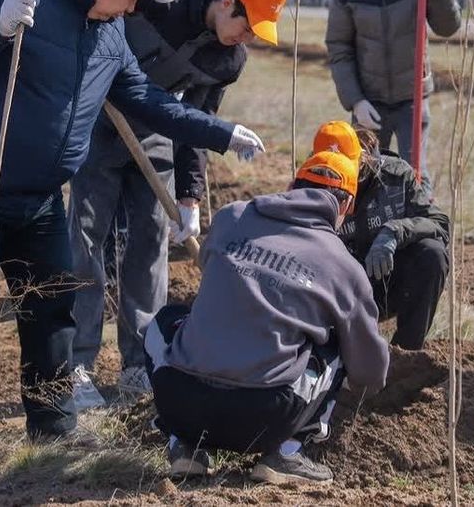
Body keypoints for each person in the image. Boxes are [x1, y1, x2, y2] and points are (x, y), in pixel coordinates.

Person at [0, 0, 265, 466]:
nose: (132, 6)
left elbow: (148, 99)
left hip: (38, 190)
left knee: (53, 304)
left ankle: (52, 425)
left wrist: (220, 132)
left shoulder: (109, 30)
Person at [69, 0, 287, 409]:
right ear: (226, 3)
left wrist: (190, 195)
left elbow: (195, 124)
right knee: (86, 241)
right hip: (100, 122)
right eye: (245, 27)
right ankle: (76, 366)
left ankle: (138, 363)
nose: (244, 39)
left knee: (150, 247)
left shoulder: (228, 61)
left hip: (155, 139)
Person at [144, 150, 389, 485]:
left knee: (165, 320)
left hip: (181, 402)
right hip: (262, 418)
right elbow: (369, 371)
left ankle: (184, 446)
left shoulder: (231, 217)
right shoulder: (343, 267)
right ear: (345, 206)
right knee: (338, 344)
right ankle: (287, 454)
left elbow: (210, 272)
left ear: (291, 185)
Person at [325, 0, 462, 178]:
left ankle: (419, 220)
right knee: (365, 176)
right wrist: (356, 101)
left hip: (411, 99)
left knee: (415, 177)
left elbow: (449, 26)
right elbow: (339, 50)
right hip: (369, 101)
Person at [312, 122, 449, 349]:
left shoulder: (395, 176)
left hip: (388, 281)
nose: (334, 174)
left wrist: (393, 232)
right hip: (340, 288)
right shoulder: (314, 178)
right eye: (328, 166)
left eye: (343, 166)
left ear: (362, 159)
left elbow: (440, 223)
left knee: (432, 254)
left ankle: (405, 354)